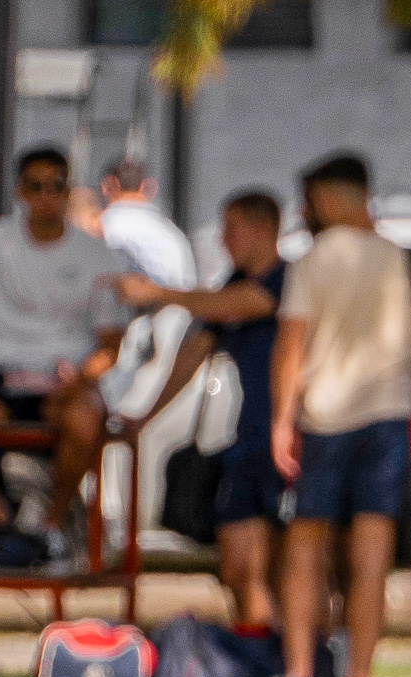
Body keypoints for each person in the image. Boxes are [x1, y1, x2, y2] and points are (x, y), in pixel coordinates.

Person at [270, 153, 411, 677]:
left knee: (306, 550)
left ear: (331, 201)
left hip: (321, 418)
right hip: (388, 418)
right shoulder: (408, 260)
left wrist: (281, 419)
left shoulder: (310, 260)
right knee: (371, 556)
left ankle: (298, 670)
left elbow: (291, 343)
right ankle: (358, 676)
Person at [117, 189, 288, 628]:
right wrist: (146, 416)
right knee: (235, 563)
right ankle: (257, 649)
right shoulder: (232, 283)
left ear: (261, 229)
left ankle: (289, 657)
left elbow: (243, 304)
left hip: (290, 441)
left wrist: (159, 292)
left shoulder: (286, 281)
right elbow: (194, 351)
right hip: (248, 440)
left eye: (230, 229)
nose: (223, 240)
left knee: (281, 563)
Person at [0, 147, 129, 563]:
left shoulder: (96, 254)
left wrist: (80, 379)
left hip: (67, 383)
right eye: (36, 186)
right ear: (19, 191)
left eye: (56, 186)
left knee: (86, 419)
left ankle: (50, 524)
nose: (46, 196)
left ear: (69, 191)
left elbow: (111, 346)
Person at [98, 156, 195, 289]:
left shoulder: (102, 224)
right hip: (174, 306)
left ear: (108, 184)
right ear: (149, 187)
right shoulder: (173, 234)